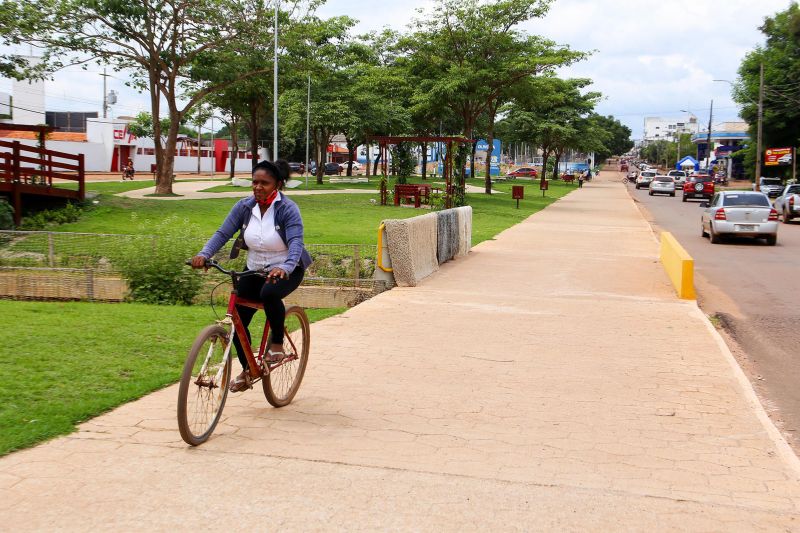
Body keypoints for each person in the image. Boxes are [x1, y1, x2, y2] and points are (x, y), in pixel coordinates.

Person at [191, 160, 313, 392]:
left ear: (277, 184)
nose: (257, 187)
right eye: (254, 182)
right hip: (255, 269)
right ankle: (249, 370)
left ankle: (277, 343)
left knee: (269, 293)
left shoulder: (287, 209)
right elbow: (223, 232)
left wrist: (286, 267)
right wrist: (204, 254)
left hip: (287, 268)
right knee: (236, 320)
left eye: (264, 183)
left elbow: (296, 241)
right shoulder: (244, 207)